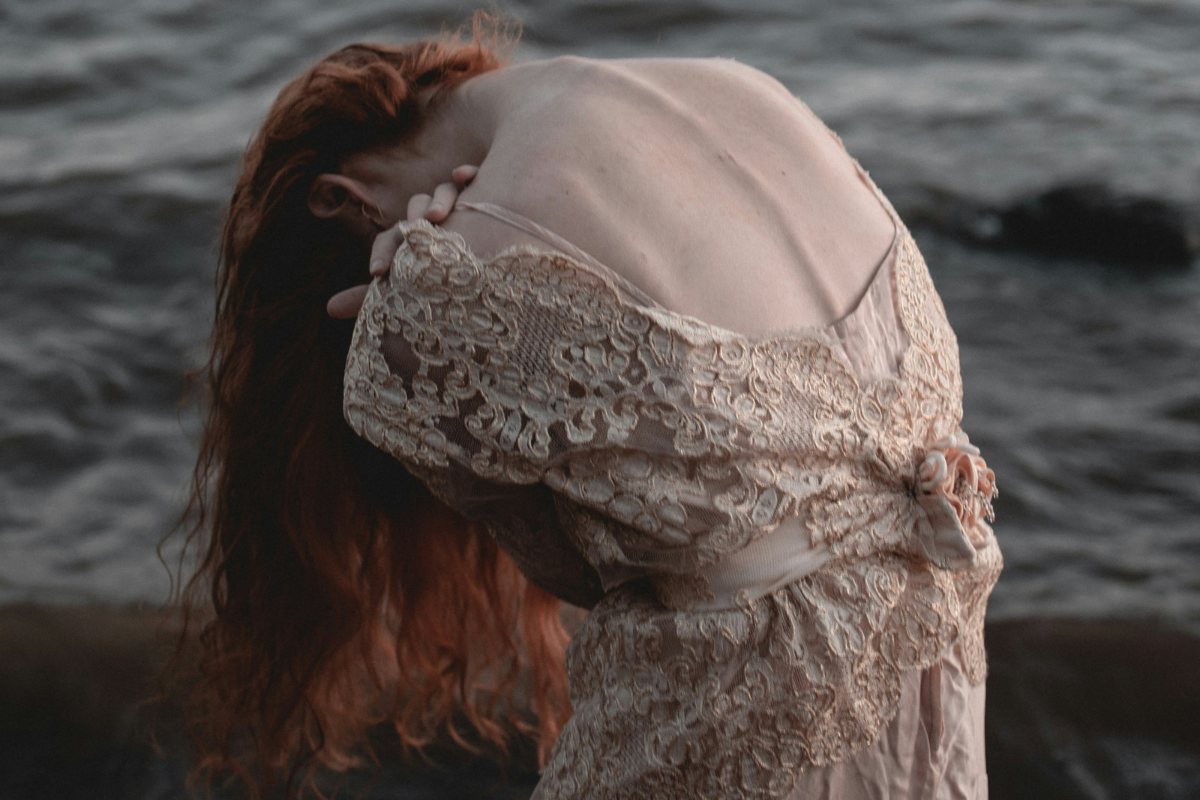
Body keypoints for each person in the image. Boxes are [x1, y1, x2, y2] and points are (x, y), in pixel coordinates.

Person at [178, 14, 1001, 800]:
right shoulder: (748, 91)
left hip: (745, 730)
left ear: (339, 200)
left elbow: (577, 572)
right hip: (940, 662)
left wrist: (410, 304)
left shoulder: (439, 288)